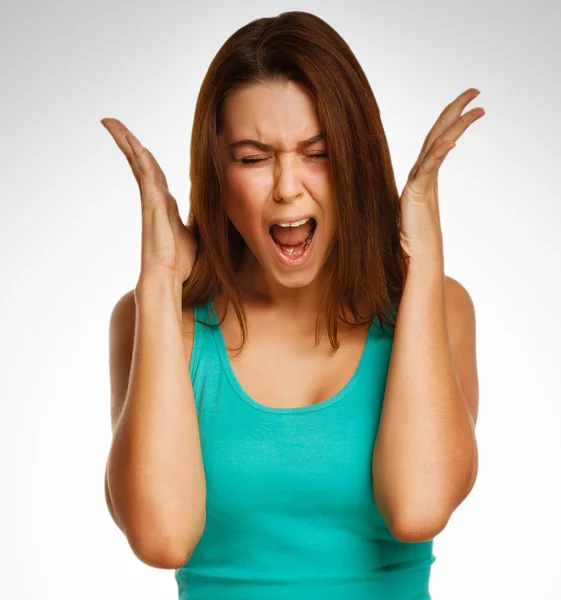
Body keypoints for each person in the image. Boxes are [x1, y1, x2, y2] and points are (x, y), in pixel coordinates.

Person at [103, 10, 481, 600]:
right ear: (217, 172)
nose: (286, 186)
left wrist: (423, 262)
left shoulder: (435, 307)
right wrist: (159, 284)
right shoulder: (155, 320)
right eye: (253, 158)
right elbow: (162, 539)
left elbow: (418, 508)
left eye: (319, 152)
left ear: (356, 161)